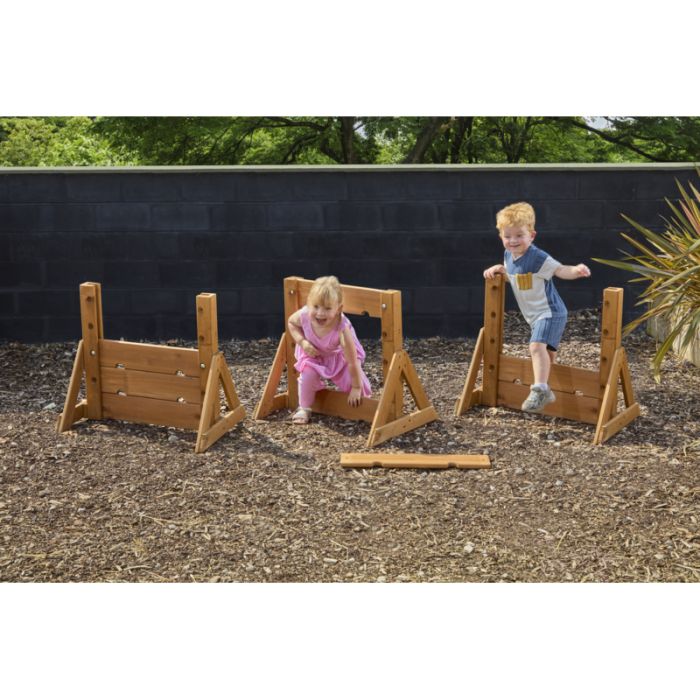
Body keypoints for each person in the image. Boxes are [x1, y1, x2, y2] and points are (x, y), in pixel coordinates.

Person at [483, 202, 591, 413]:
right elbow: (515, 277)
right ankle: (548, 389)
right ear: (501, 237)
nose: (513, 241)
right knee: (546, 353)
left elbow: (560, 270)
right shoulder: (509, 256)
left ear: (531, 236)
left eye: (519, 235)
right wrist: (500, 269)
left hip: (550, 312)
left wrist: (576, 270)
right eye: (507, 236)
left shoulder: (538, 258)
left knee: (535, 346)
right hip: (533, 315)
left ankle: (540, 389)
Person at [286, 275, 372, 424]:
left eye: (327, 308)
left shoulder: (342, 329)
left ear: (339, 309)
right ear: (308, 304)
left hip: (338, 357)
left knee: (356, 384)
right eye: (316, 307)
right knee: (307, 376)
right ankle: (304, 408)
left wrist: (356, 387)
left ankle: (363, 404)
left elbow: (352, 362)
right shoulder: (304, 315)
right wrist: (302, 342)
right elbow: (291, 323)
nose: (320, 313)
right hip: (312, 354)